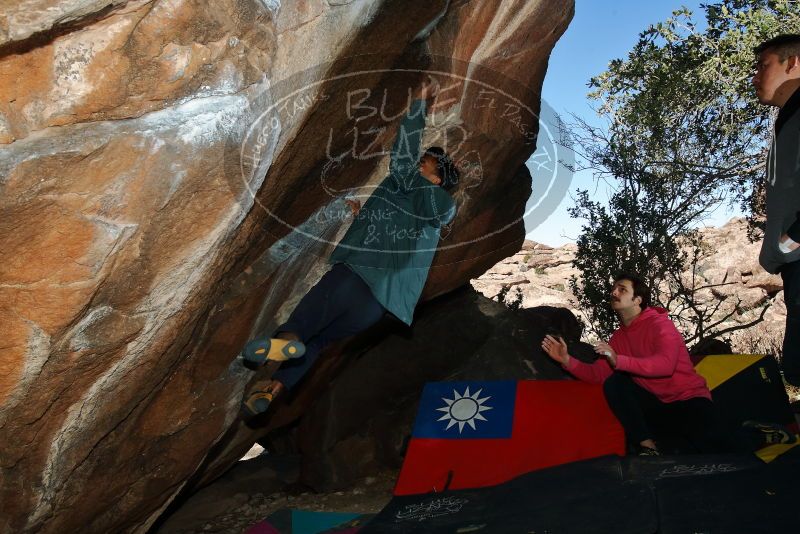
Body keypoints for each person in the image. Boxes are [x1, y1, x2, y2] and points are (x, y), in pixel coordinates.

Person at [240, 85, 458, 416]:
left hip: (352, 281)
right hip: (373, 310)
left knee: (305, 321)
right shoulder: (428, 215)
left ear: (436, 178)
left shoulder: (413, 186)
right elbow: (400, 231)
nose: (417, 164)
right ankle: (274, 390)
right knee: (317, 344)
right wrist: (364, 217)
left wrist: (418, 106)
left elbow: (402, 154)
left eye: (423, 163)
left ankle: (282, 345)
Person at [541, 273, 727, 455]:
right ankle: (647, 447)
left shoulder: (660, 324)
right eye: (613, 289)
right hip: (657, 409)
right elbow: (598, 375)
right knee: (616, 382)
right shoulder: (618, 338)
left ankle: (752, 433)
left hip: (690, 403)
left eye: (622, 289)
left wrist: (618, 360)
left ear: (638, 299)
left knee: (726, 454)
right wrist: (566, 360)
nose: (614, 293)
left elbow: (666, 365)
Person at [752, 34, 800, 386]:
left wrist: (790, 241)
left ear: (793, 63)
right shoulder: (790, 117)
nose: (755, 76)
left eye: (763, 66)